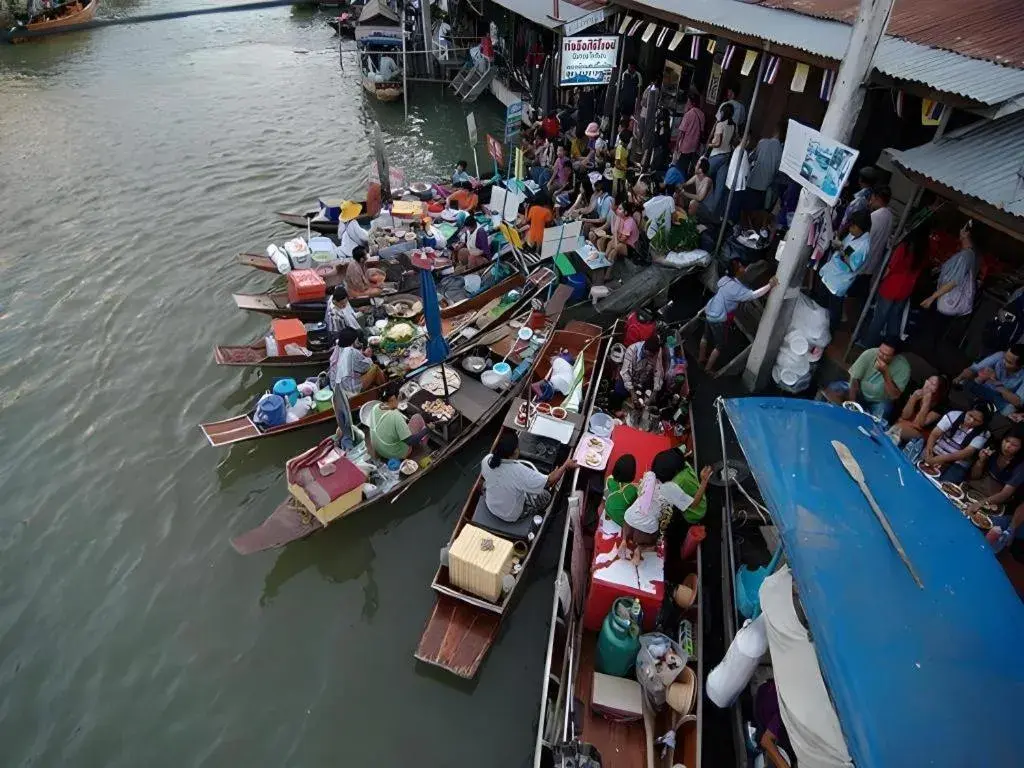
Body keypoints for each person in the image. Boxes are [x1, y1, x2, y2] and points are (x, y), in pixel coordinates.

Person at [621, 453, 712, 560]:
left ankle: (623, 541)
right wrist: (704, 481)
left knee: (628, 530)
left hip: (630, 517)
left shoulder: (649, 474)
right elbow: (694, 503)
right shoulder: (672, 488)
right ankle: (639, 549)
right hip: (646, 526)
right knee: (650, 541)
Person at [699, 260, 778, 372]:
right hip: (718, 318)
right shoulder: (736, 289)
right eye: (740, 267)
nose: (743, 267)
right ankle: (707, 369)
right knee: (720, 345)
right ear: (735, 272)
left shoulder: (725, 280)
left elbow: (734, 284)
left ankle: (701, 358)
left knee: (705, 336)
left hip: (710, 310)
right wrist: (770, 285)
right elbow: (754, 295)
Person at [480, 431, 575, 522]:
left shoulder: (487, 460)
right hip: (510, 515)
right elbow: (549, 481)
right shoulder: (519, 471)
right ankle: (535, 514)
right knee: (546, 496)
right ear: (514, 452)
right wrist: (565, 465)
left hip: (491, 506)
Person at [863, 225, 929, 347]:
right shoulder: (924, 252)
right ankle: (890, 346)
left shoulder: (904, 247)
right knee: (895, 318)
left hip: (891, 286)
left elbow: (890, 268)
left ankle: (868, 344)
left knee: (879, 318)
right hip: (906, 289)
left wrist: (877, 281)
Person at [824, 338, 910, 420]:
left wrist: (885, 373)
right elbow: (854, 378)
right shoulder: (870, 353)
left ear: (894, 356)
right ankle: (836, 415)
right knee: (834, 388)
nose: (881, 356)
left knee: (882, 414)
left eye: (886, 355)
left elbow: (894, 395)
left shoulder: (903, 367)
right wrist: (852, 402)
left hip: (880, 400)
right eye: (880, 351)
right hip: (860, 391)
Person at [921, 222, 978, 343]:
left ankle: (924, 354)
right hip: (949, 301)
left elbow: (954, 281)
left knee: (932, 332)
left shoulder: (965, 256)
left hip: (947, 300)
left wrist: (932, 297)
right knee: (938, 332)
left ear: (966, 233)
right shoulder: (971, 255)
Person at [816, 208, 871, 330]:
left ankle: (829, 333)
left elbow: (852, 265)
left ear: (862, 227)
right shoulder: (854, 235)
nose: (850, 230)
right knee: (821, 305)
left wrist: (841, 250)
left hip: (839, 281)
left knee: (833, 312)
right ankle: (818, 327)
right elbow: (845, 249)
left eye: (853, 227)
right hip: (831, 273)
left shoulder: (864, 245)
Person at [922, 401, 992, 483]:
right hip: (937, 450)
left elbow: (966, 452)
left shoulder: (984, 433)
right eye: (970, 415)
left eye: (977, 420)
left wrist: (940, 459)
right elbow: (934, 435)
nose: (971, 421)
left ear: (983, 423)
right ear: (967, 411)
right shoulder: (953, 415)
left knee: (944, 484)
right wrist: (928, 451)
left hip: (957, 463)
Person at [965, 428, 1024, 514]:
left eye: (1014, 445)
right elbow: (974, 477)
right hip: (975, 490)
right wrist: (981, 461)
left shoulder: (1020, 466)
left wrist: (980, 504)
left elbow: (1005, 494)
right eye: (1006, 441)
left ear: (1021, 448)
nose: (1007, 446)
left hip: (993, 502)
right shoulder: (993, 451)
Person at [953, 344, 1024, 414]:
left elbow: (1018, 402)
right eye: (1005, 358)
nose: (1004, 362)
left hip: (997, 400)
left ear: (1021, 366)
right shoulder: (1000, 355)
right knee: (967, 383)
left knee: (1010, 409)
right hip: (981, 389)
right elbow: (973, 369)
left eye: (1009, 362)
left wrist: (995, 381)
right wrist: (959, 378)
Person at [368, 382, 429, 461]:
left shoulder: (375, 407)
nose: (400, 397)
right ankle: (423, 446)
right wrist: (427, 429)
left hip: (379, 450)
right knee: (417, 417)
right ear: (393, 398)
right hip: (396, 454)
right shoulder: (395, 416)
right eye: (399, 396)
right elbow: (411, 441)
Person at [330, 328, 386, 400]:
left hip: (336, 387)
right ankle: (385, 389)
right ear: (353, 341)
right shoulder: (351, 351)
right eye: (356, 340)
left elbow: (351, 361)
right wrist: (368, 357)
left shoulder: (338, 346)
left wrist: (363, 354)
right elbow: (366, 367)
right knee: (375, 368)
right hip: (349, 390)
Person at [612, 334, 663, 411]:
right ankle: (615, 410)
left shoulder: (656, 353)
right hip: (629, 377)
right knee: (619, 392)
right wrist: (632, 392)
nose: (651, 359)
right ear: (645, 350)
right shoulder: (631, 350)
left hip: (642, 379)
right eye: (649, 356)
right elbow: (625, 373)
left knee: (645, 401)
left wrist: (655, 391)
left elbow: (658, 372)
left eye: (652, 356)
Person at [743, 123, 784, 218]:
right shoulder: (781, 152)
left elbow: (752, 157)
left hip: (752, 180)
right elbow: (778, 171)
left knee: (745, 208)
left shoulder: (762, 142)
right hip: (765, 186)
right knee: (756, 211)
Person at [891, 374, 946, 443]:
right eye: (928, 381)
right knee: (897, 427)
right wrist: (913, 398)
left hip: (921, 433)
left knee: (898, 429)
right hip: (905, 424)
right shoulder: (917, 392)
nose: (928, 384)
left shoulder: (940, 406)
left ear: (938, 391)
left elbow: (919, 424)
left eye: (933, 384)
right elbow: (905, 415)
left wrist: (926, 403)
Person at [706, 102, 736, 214]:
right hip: (726, 156)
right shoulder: (733, 125)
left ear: (723, 112)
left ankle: (702, 201)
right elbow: (733, 140)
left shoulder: (720, 125)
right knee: (719, 185)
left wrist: (709, 145)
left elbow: (717, 143)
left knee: (703, 177)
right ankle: (713, 208)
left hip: (717, 155)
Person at [838, 166, 879, 237]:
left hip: (848, 231)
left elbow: (847, 218)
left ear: (861, 180)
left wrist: (838, 233)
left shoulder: (860, 200)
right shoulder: (872, 195)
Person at [673, 89, 705, 177]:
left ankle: (678, 184)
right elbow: (701, 131)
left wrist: (676, 146)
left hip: (686, 146)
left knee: (680, 167)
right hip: (695, 147)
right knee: (689, 167)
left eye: (688, 101)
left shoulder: (688, 114)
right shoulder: (702, 115)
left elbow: (681, 132)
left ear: (691, 102)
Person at [864, 185, 894, 278]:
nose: (871, 200)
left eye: (872, 197)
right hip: (874, 264)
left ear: (878, 198)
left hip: (863, 262)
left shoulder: (874, 216)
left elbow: (864, 239)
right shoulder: (890, 216)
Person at [603, 200, 640, 269]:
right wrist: (616, 236)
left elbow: (622, 239)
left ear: (625, 212)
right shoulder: (622, 218)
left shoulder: (630, 222)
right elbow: (616, 233)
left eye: (620, 209)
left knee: (615, 248)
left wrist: (616, 236)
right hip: (624, 243)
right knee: (610, 243)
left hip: (632, 248)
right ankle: (603, 264)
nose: (617, 210)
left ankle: (607, 273)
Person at [604, 455, 639, 527]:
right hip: (622, 520)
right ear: (633, 473)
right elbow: (636, 505)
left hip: (608, 509)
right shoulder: (632, 490)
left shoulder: (609, 479)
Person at [613, 129, 632, 195]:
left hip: (623, 174)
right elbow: (617, 165)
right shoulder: (619, 148)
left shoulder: (625, 147)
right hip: (618, 175)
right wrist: (627, 169)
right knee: (618, 193)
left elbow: (625, 159)